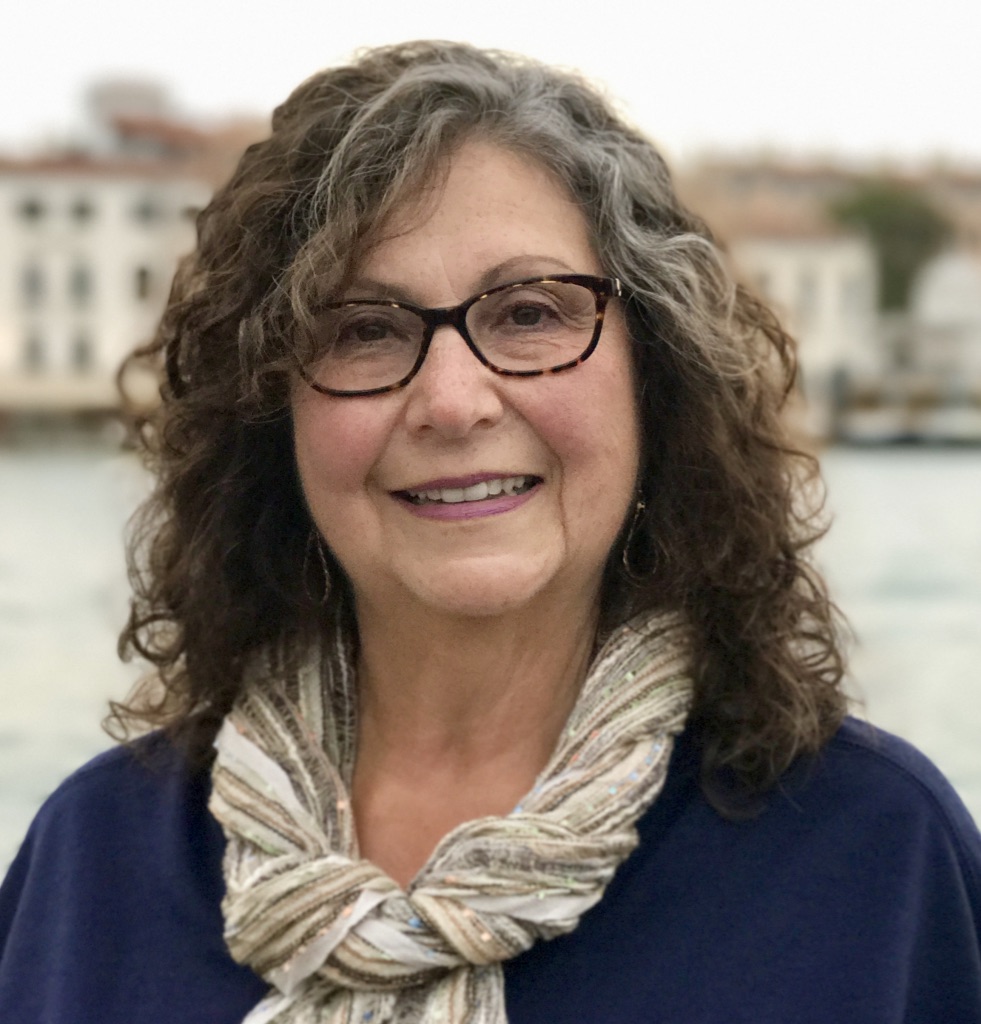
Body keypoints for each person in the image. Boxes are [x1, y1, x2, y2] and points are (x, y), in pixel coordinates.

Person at [1, 40, 979, 1024]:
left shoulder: (875, 859)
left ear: (657, 380)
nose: (453, 399)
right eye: (364, 329)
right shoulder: (94, 863)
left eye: (528, 313)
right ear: (268, 418)